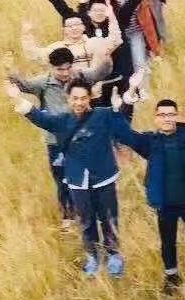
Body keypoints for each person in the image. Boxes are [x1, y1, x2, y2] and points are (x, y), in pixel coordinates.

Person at [111, 83, 185, 296]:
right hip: (165, 204)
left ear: (177, 116)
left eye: (171, 114)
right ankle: (172, 278)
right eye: (162, 115)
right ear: (156, 118)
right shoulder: (149, 142)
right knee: (167, 242)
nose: (167, 118)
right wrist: (122, 108)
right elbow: (124, 135)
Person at [7, 78, 128, 277]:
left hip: (104, 177)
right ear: (68, 98)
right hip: (77, 180)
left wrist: (123, 103)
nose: (79, 102)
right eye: (75, 98)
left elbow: (120, 121)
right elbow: (38, 117)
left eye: (83, 98)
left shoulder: (102, 115)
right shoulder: (62, 121)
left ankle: (113, 254)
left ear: (90, 98)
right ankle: (92, 256)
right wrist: (17, 98)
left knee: (109, 218)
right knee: (86, 221)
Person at [4, 46, 114, 230]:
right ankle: (68, 217)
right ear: (51, 67)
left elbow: (101, 72)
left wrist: (107, 57)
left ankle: (91, 213)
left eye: (68, 68)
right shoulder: (43, 83)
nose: (65, 73)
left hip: (81, 139)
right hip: (56, 142)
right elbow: (23, 85)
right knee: (62, 179)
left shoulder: (80, 77)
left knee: (87, 177)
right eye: (60, 69)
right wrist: (10, 70)